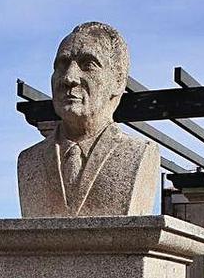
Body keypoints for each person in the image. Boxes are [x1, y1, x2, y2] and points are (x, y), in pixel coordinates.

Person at [17, 22, 159, 217]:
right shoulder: (29, 160)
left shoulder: (138, 153)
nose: (69, 77)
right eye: (62, 64)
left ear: (118, 81)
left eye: (88, 65)